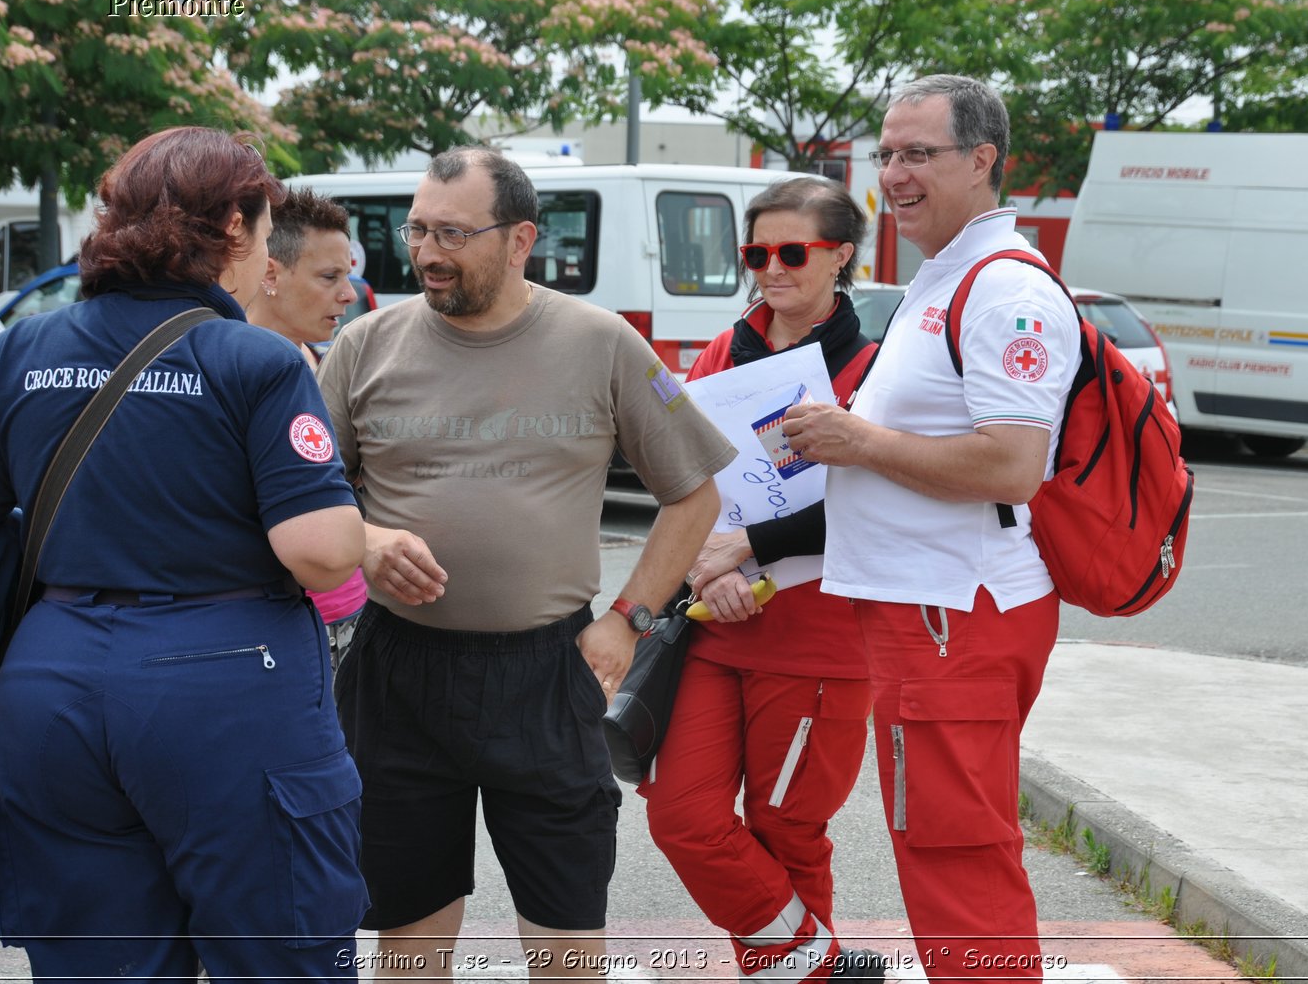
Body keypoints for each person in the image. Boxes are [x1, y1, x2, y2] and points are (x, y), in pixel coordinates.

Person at [0, 127, 370, 980]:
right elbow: (320, 553)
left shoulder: (24, 347)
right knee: (280, 951)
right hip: (226, 682)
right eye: (266, 235)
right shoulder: (256, 359)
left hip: (54, 678)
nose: (267, 255)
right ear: (233, 225)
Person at [316, 144, 735, 978]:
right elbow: (309, 499)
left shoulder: (602, 342)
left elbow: (694, 497)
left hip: (547, 671)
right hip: (398, 672)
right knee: (406, 943)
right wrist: (365, 541)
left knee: (567, 942)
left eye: (454, 233)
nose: (429, 253)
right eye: (418, 230)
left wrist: (629, 621)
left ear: (519, 240)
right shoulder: (365, 346)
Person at [782, 75, 1081, 978]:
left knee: (956, 855)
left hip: (956, 613)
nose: (896, 174)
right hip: (931, 612)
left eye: (920, 153)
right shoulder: (943, 278)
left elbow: (1010, 464)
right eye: (887, 155)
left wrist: (857, 440)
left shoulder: (1001, 291)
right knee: (939, 847)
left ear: (982, 160)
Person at [641, 176, 887, 984]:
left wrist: (749, 544)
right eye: (757, 253)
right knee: (682, 818)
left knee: (786, 832)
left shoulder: (878, 367)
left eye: (792, 251)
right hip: (716, 625)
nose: (771, 268)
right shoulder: (722, 351)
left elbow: (881, 507)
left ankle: (795, 976)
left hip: (820, 645)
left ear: (841, 254)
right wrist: (713, 556)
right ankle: (818, 966)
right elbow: (688, 483)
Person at [248, 187, 369, 663]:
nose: (348, 293)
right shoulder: (235, 365)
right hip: (288, 616)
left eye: (348, 276)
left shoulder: (308, 354)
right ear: (271, 273)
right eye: (329, 277)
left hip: (345, 604)